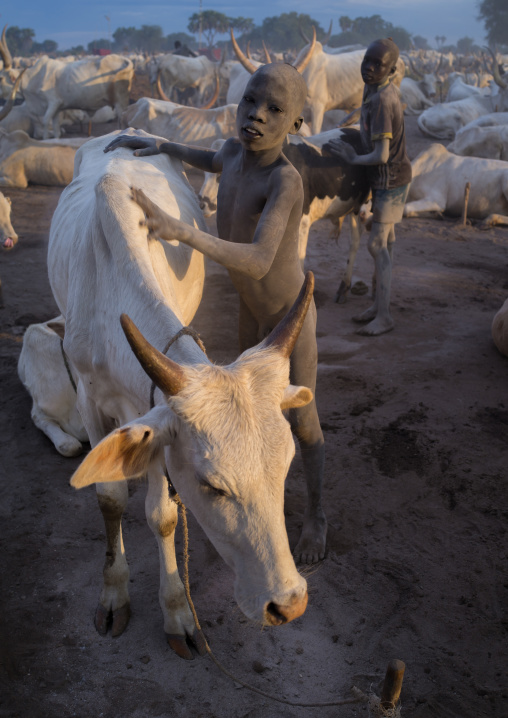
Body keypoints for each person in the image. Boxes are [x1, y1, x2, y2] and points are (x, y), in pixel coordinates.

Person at [104, 63, 327, 564]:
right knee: (247, 415)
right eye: (251, 102)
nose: (256, 116)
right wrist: (162, 147)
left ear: (294, 124)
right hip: (251, 313)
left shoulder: (284, 181)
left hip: (287, 322)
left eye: (274, 110)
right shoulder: (233, 153)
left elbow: (259, 259)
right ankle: (248, 498)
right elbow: (209, 157)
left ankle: (316, 516)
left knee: (304, 422)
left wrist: (184, 232)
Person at [328, 38, 412, 336]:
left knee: (377, 245)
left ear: (391, 70)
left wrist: (352, 157)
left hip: (390, 179)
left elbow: (382, 154)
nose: (370, 69)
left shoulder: (382, 100)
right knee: (385, 243)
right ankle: (378, 306)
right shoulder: (373, 90)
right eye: (367, 62)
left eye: (378, 65)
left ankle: (385, 315)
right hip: (386, 178)